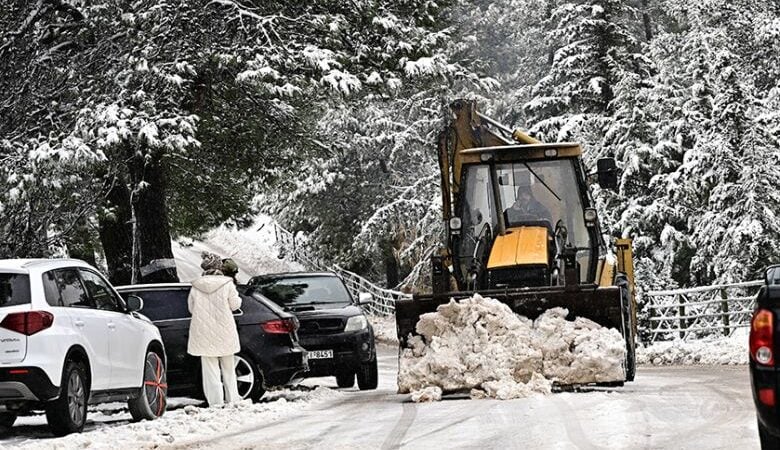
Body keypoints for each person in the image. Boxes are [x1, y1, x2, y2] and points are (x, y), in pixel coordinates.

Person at [187, 252, 242, 407]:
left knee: (210, 370)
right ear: (219, 267)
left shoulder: (196, 286)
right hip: (225, 330)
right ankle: (232, 399)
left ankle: (216, 402)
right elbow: (235, 305)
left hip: (203, 332)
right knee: (229, 368)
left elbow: (191, 308)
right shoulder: (227, 284)